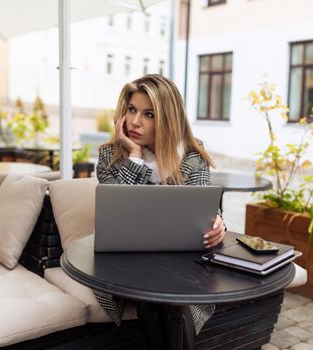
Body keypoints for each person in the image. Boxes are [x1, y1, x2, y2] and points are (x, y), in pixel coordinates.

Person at [95, 74, 226, 349]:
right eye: (131, 110)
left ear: (167, 118)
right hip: (126, 263)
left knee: (170, 298)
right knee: (157, 296)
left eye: (148, 114)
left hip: (178, 264)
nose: (134, 122)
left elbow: (204, 208)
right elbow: (121, 214)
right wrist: (134, 157)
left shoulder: (191, 157)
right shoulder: (110, 156)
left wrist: (217, 225)